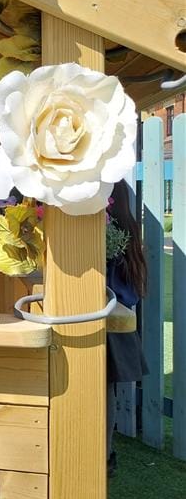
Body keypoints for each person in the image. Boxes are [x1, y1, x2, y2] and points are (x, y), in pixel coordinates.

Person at [105, 180, 149, 477]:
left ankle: (102, 455)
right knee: (106, 393)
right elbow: (133, 293)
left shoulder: (109, 236)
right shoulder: (129, 234)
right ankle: (106, 454)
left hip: (105, 325)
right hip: (119, 329)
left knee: (99, 394)